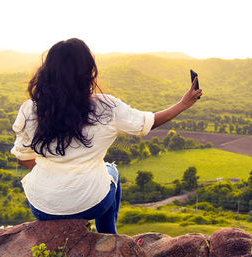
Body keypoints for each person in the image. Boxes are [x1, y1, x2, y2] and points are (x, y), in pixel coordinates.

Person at [10, 38, 202, 234]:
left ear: (48, 71)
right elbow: (148, 122)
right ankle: (108, 236)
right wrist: (183, 103)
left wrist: (58, 169)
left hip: (42, 207)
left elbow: (23, 158)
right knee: (112, 171)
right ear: (87, 70)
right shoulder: (106, 107)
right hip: (91, 205)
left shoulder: (30, 109)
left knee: (102, 172)